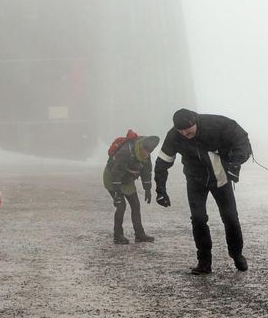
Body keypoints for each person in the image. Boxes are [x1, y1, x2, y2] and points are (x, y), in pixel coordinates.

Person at [154, 108, 251, 274]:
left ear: (195, 122)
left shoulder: (216, 124)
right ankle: (204, 262)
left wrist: (236, 163)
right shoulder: (174, 136)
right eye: (181, 130)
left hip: (220, 177)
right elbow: (163, 162)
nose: (185, 133)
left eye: (188, 128)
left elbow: (241, 139)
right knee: (198, 219)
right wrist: (160, 189)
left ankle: (237, 254)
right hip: (195, 180)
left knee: (231, 218)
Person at [103, 135, 160, 244]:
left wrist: (147, 189)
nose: (147, 154)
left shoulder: (146, 155)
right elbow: (116, 172)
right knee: (121, 205)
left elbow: (146, 172)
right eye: (146, 151)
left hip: (127, 179)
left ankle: (139, 235)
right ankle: (118, 235)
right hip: (112, 178)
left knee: (135, 205)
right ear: (141, 146)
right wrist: (117, 193)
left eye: (150, 151)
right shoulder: (125, 152)